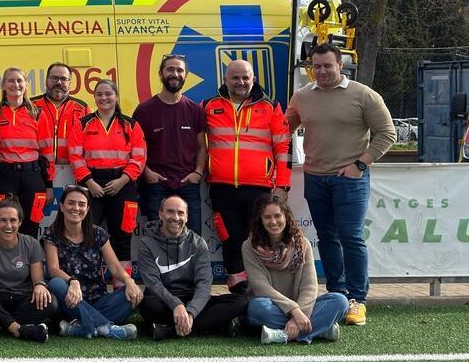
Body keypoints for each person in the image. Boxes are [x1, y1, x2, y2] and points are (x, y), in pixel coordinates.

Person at [286, 43, 395, 326]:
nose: (321, 71)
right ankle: (338, 295)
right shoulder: (301, 96)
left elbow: (387, 133)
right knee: (327, 237)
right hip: (315, 177)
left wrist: (359, 164)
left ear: (340, 65)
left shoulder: (363, 95)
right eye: (316, 66)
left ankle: (359, 299)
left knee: (351, 237)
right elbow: (283, 128)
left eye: (327, 66)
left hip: (350, 179)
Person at [203, 59, 291, 293]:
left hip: (259, 188)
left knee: (261, 239)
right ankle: (237, 286)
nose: (241, 82)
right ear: (225, 80)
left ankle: (263, 287)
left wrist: (282, 184)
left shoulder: (271, 107)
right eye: (235, 77)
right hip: (222, 187)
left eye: (245, 77)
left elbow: (283, 148)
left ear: (253, 79)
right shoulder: (209, 106)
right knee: (230, 237)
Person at [137, 196, 247, 340]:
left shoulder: (198, 242)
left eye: (181, 213)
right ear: (160, 214)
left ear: (187, 217)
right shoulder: (146, 243)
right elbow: (153, 284)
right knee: (147, 305)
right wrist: (176, 304)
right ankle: (214, 325)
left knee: (240, 302)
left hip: (192, 298)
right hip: (163, 301)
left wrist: (190, 312)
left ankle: (169, 331)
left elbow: (204, 284)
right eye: (170, 212)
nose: (176, 217)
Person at [244, 194, 348, 345]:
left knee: (340, 301)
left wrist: (299, 313)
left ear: (286, 216)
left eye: (277, 216)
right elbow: (261, 288)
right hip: (272, 307)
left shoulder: (302, 244)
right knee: (257, 307)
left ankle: (282, 335)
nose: (273, 221)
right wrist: (294, 311)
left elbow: (309, 286)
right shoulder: (249, 247)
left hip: (301, 307)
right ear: (260, 219)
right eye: (267, 217)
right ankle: (319, 328)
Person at [67, 79, 146, 275]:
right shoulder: (83, 124)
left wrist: (122, 180)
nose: (104, 98)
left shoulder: (131, 125)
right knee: (88, 234)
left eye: (108, 93)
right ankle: (91, 281)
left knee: (122, 235)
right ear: (94, 98)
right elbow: (75, 156)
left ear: (116, 96)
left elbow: (139, 157)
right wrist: (90, 182)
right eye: (99, 94)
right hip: (92, 184)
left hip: (123, 184)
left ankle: (123, 287)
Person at [43, 186, 141, 340]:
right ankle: (105, 327)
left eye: (81, 204)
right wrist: (72, 281)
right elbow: (53, 269)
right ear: (61, 206)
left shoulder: (97, 233)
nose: (76, 208)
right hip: (70, 300)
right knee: (55, 283)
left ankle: (80, 327)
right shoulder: (52, 233)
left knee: (131, 295)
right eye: (71, 203)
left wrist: (129, 281)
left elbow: (115, 267)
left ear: (88, 208)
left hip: (98, 299)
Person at [0, 198, 56, 342]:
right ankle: (16, 328)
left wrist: (40, 286)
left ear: (20, 222)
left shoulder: (31, 244)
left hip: (21, 299)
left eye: (13, 220)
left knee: (51, 303)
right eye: (3, 220)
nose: (8, 225)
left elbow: (38, 280)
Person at [132, 54, 206, 232]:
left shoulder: (195, 110)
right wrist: (147, 172)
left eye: (180, 70)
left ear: (186, 75)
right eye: (170, 69)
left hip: (188, 184)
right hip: (157, 185)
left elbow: (202, 146)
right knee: (157, 239)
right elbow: (135, 148)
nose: (175, 73)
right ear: (161, 73)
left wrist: (198, 172)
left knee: (194, 238)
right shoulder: (144, 110)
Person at [0, 67, 54, 237]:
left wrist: (49, 185)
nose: (15, 84)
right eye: (10, 80)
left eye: (19, 80)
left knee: (31, 228)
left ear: (26, 85)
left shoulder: (37, 114)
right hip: (4, 175)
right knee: (3, 227)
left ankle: (29, 264)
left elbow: (47, 152)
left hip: (32, 176)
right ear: (3, 85)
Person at [32, 62, 91, 197]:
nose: (59, 82)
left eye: (64, 79)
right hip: (40, 173)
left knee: (71, 214)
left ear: (70, 82)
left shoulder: (82, 108)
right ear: (46, 80)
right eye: (54, 78)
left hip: (73, 174)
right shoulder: (32, 106)